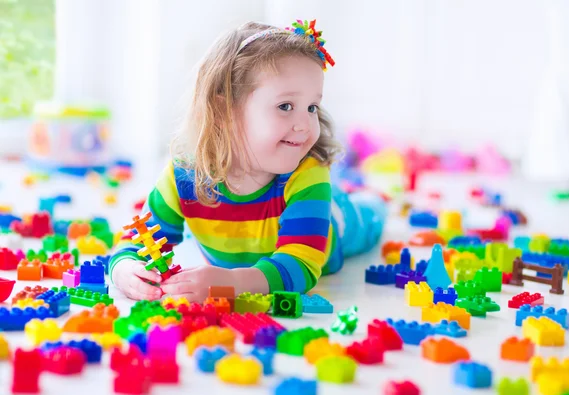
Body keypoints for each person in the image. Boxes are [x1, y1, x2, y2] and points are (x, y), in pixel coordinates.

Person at [109, 19, 387, 302]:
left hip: (336, 226)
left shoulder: (307, 174)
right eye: (285, 106)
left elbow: (300, 265)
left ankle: (372, 200)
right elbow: (137, 242)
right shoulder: (185, 174)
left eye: (312, 107)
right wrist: (125, 269)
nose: (305, 124)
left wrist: (230, 282)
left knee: (368, 216)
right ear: (225, 108)